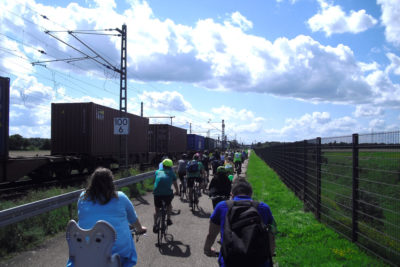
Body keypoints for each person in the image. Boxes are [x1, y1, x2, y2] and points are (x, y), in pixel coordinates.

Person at [67, 167, 147, 267]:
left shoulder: (83, 197)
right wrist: (139, 229)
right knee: (126, 254)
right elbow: (133, 219)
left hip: (85, 253)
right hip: (116, 256)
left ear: (92, 182)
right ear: (111, 182)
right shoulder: (121, 197)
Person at [204, 178, 276, 267]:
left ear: (232, 194)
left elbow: (211, 234)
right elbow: (271, 234)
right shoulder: (264, 208)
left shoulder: (222, 206)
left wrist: (207, 249)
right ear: (251, 194)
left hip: (230, 261)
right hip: (259, 261)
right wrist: (271, 253)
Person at [153, 158, 179, 232]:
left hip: (157, 193)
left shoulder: (157, 171)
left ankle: (155, 225)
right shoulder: (171, 172)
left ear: (163, 165)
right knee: (169, 206)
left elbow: (154, 182)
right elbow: (175, 183)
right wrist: (177, 191)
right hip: (167, 194)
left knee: (157, 211)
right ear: (171, 166)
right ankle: (168, 219)